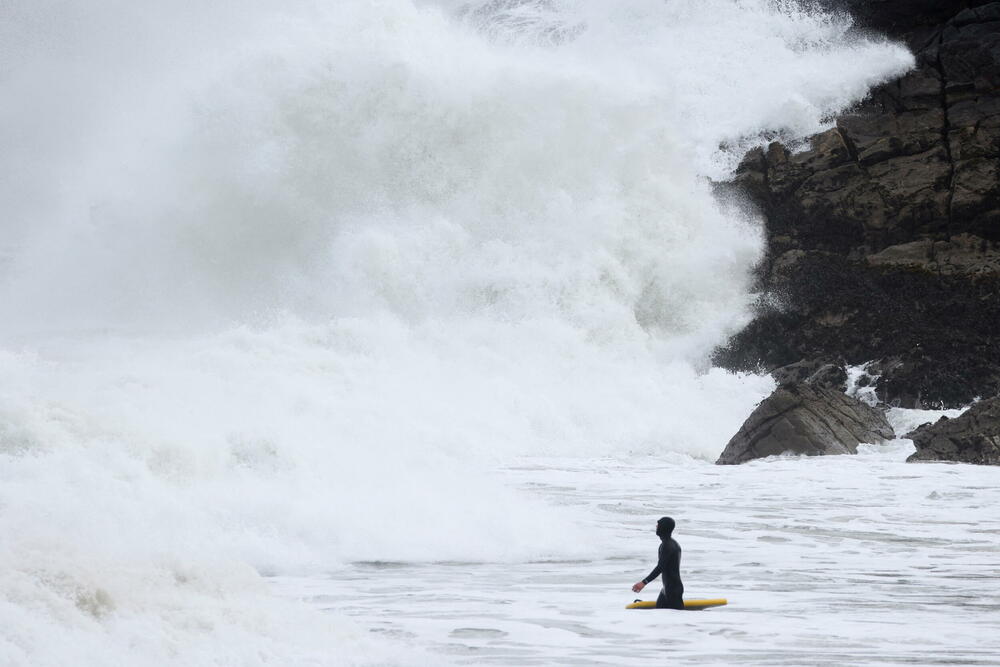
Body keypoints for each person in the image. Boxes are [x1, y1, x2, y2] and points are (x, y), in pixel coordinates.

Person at [631, 516, 684, 609]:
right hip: (667, 589)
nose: (656, 526)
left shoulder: (668, 545)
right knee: (659, 615)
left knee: (677, 620)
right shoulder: (668, 544)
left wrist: (643, 583)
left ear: (663, 527)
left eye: (658, 524)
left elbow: (660, 567)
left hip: (673, 590)